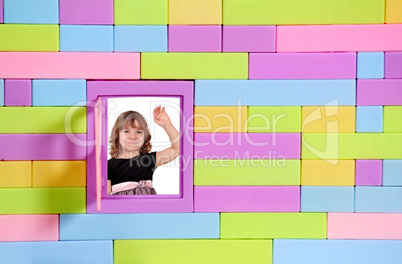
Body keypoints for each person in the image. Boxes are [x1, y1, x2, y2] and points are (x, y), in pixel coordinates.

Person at [107, 106, 180, 195]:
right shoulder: (109, 165)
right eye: (126, 131)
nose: (133, 136)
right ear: (117, 135)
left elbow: (177, 149)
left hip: (149, 208)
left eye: (138, 132)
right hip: (122, 208)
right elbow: (104, 198)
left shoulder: (148, 159)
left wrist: (167, 125)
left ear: (145, 137)